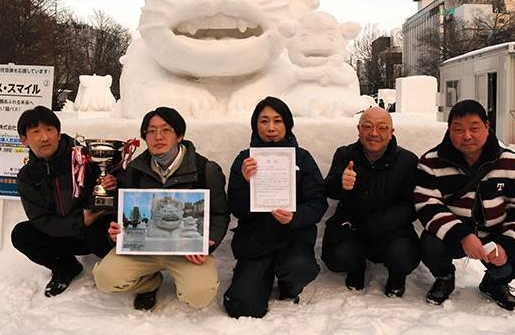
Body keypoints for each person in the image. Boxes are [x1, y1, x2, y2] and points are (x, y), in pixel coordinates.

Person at [415, 99, 515, 311]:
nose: (467, 136)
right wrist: (462, 235)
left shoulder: (512, 162)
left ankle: (494, 283)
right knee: (429, 242)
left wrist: (506, 246)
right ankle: (445, 277)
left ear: (487, 127)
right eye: (458, 129)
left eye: (474, 128)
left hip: (495, 236)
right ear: (449, 131)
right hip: (455, 234)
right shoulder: (432, 161)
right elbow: (427, 204)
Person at [93, 107, 229, 311]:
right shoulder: (135, 170)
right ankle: (150, 283)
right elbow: (130, 212)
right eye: (151, 131)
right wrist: (121, 231)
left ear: (180, 135)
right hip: (145, 248)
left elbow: (220, 214)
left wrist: (206, 244)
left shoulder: (205, 170)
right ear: (145, 137)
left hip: (186, 249)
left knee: (199, 295)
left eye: (166, 130)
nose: (158, 136)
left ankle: (184, 281)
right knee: (105, 279)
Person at [224, 96, 328, 318]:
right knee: (242, 307)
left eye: (278, 121)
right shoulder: (245, 160)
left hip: (293, 237)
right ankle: (256, 274)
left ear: (287, 124)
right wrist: (244, 182)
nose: (271, 127)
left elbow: (318, 202)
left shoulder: (303, 158)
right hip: (256, 240)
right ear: (255, 125)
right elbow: (236, 208)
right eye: (264, 121)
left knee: (299, 267)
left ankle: (289, 285)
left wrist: (294, 217)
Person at [11, 106, 117, 297]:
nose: (45, 137)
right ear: (24, 139)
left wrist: (112, 183)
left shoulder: (84, 157)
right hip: (64, 232)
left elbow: (112, 191)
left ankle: (125, 274)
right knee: (22, 234)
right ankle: (66, 267)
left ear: (59, 134)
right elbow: (41, 219)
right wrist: (80, 221)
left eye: (50, 130)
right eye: (36, 132)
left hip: (94, 230)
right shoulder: (27, 176)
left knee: (107, 233)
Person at [321, 107, 419, 297]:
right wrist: (340, 182)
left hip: (391, 229)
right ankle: (356, 267)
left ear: (391, 132)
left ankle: (397, 275)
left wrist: (378, 223)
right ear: (358, 129)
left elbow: (411, 205)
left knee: (404, 257)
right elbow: (328, 190)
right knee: (336, 257)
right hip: (352, 227)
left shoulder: (407, 160)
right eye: (367, 127)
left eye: (382, 128)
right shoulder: (344, 154)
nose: (374, 133)